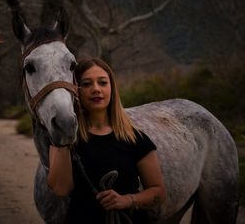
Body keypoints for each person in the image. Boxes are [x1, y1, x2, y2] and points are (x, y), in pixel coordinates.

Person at [47, 58, 166, 224]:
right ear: (76, 91)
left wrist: (128, 200)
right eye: (87, 84)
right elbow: (60, 188)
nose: (96, 89)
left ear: (112, 88)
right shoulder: (64, 141)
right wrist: (64, 139)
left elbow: (158, 192)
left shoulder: (136, 139)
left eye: (102, 83)